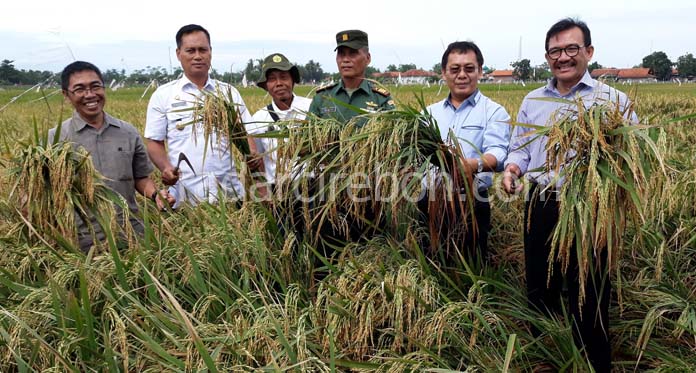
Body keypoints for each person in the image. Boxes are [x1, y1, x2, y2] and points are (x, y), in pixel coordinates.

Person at [502, 18, 637, 372]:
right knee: (540, 287)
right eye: (555, 51)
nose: (563, 57)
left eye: (571, 49)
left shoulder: (613, 100)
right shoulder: (533, 100)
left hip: (593, 207)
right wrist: (512, 170)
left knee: (590, 292)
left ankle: (592, 362)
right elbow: (519, 149)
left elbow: (634, 157)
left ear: (588, 52)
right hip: (541, 203)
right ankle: (544, 358)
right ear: (547, 57)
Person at [51, 61, 174, 252]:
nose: (90, 94)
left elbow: (140, 178)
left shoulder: (127, 132)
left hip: (132, 237)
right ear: (66, 95)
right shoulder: (55, 139)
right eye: (80, 89)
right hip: (81, 244)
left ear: (103, 88)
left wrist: (156, 195)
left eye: (95, 86)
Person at [145, 24, 257, 206]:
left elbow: (246, 132)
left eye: (202, 50)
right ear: (178, 53)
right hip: (185, 196)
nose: (198, 56)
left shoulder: (228, 93)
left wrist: (251, 153)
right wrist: (165, 168)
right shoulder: (163, 95)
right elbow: (154, 143)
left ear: (210, 52)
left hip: (229, 194)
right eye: (190, 50)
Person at [424, 41, 510, 263]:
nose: (462, 75)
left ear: (480, 71)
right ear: (444, 73)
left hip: (471, 202)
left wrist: (473, 165)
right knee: (430, 266)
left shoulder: (494, 112)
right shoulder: (427, 114)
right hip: (429, 201)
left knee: (471, 270)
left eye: (469, 69)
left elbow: (498, 153)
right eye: (455, 69)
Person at [248, 53, 312, 189]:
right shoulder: (259, 119)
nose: (279, 84)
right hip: (278, 191)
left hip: (313, 188)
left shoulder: (311, 108)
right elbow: (257, 161)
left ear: (293, 80)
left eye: (284, 77)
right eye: (272, 79)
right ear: (265, 86)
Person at [308, 29, 395, 123]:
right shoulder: (322, 97)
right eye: (341, 54)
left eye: (352, 53)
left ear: (368, 58)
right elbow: (307, 134)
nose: (345, 59)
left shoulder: (381, 99)